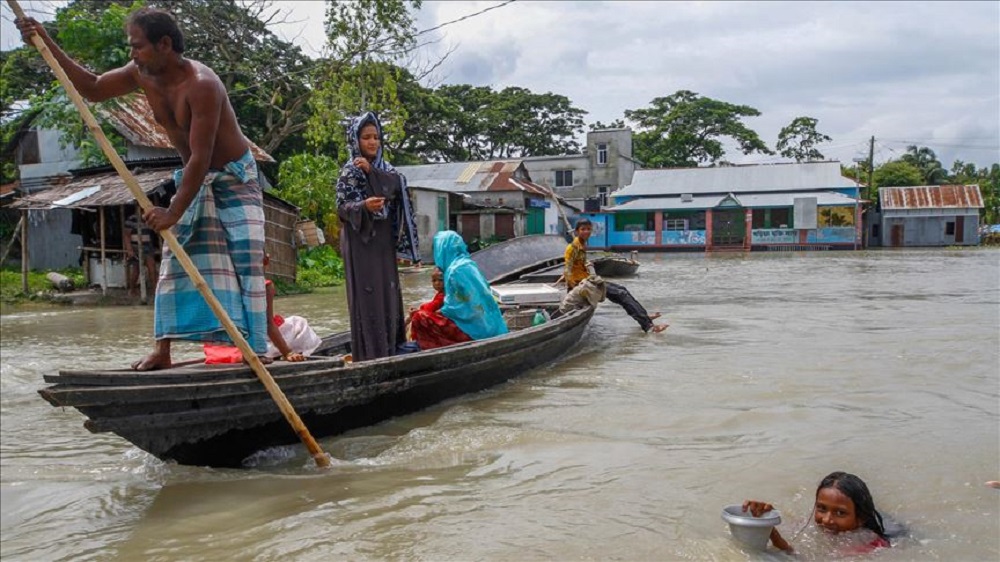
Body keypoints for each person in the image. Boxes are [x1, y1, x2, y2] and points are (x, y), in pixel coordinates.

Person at [18, 8, 267, 371]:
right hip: (195, 175)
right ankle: (163, 350)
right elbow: (93, 88)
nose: (132, 54)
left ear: (164, 44)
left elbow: (201, 156)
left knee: (246, 260)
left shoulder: (203, 85)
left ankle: (256, 351)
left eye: (138, 46)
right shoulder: (141, 74)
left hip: (233, 177)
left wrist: (173, 211)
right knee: (174, 260)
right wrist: (44, 41)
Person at [336, 111, 420, 362]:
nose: (372, 142)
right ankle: (372, 353)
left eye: (376, 137)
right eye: (366, 137)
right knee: (369, 295)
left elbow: (396, 184)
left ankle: (392, 347)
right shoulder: (350, 171)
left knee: (388, 292)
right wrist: (363, 206)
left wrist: (372, 171)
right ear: (355, 140)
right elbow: (341, 208)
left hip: (383, 240)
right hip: (362, 239)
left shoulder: (385, 168)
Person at [204, 255, 321, 364]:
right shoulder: (263, 286)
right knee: (298, 323)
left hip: (218, 348)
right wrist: (287, 353)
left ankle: (240, 354)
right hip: (252, 346)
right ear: (266, 260)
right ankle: (285, 352)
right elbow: (267, 324)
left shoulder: (222, 285)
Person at [743, 471, 893, 555]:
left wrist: (774, 536)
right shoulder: (806, 527)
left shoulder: (870, 546)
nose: (827, 520)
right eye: (821, 508)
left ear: (860, 519)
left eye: (840, 513)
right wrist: (765, 519)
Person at [564, 219, 667, 333]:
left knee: (622, 290)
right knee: (621, 294)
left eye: (588, 229)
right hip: (584, 284)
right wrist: (574, 289)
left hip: (589, 280)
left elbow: (577, 265)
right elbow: (567, 270)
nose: (586, 231)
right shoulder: (572, 248)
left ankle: (644, 317)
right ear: (577, 231)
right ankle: (648, 326)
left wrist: (587, 264)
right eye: (583, 229)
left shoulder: (582, 245)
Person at [430, 230, 508, 343]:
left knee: (419, 318)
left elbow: (457, 308)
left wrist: (439, 312)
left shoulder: (454, 271)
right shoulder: (468, 263)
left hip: (474, 330)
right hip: (491, 325)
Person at [408, 267, 473, 350]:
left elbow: (432, 306)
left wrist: (419, 309)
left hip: (454, 326)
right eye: (434, 281)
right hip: (455, 325)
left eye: (440, 280)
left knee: (418, 316)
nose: (437, 283)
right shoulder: (445, 293)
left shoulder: (445, 295)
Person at [122, 205, 159, 297]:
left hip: (148, 246)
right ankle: (132, 290)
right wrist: (129, 249)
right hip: (135, 247)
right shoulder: (132, 219)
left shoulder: (149, 219)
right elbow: (126, 235)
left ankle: (155, 291)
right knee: (136, 270)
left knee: (152, 268)